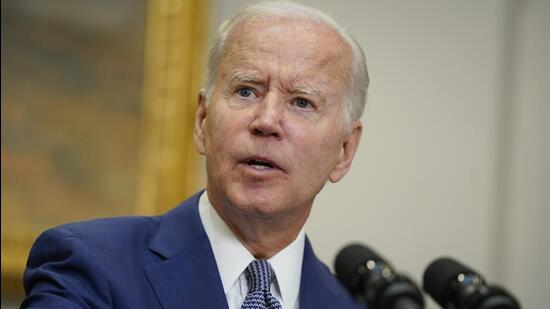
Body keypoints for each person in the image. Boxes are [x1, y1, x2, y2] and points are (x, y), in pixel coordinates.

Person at [22, 1, 369, 308]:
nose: (267, 121)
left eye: (302, 102)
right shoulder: (88, 266)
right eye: (246, 91)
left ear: (344, 151)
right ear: (202, 121)